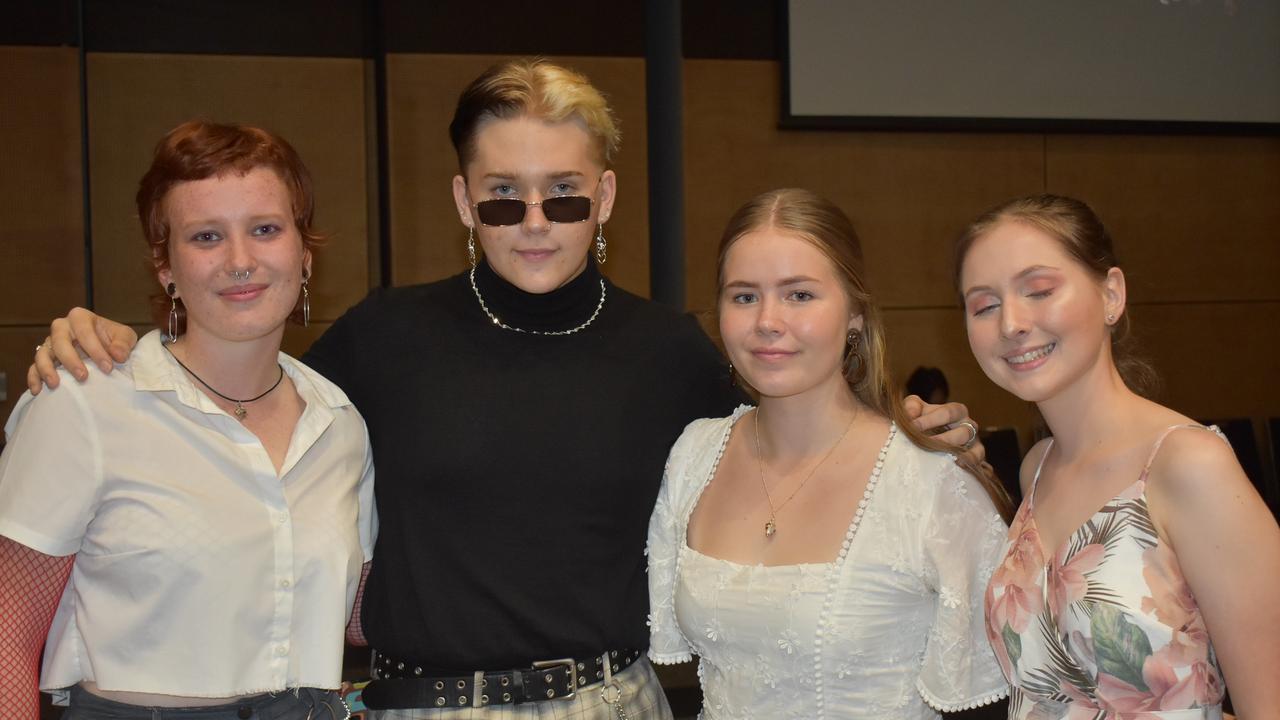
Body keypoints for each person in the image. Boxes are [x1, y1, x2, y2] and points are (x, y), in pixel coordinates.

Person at [25, 60, 981, 719]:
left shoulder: (672, 352)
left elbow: (794, 426)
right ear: (461, 200)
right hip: (410, 703)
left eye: (564, 193)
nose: (534, 220)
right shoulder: (382, 338)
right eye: (502, 195)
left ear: (604, 198)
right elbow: (231, 384)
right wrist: (114, 339)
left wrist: (915, 439)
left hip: (608, 700)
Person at [0, 120, 376, 719]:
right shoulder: (87, 403)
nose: (240, 260)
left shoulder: (339, 424)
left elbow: (358, 615)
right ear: (165, 267)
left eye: (265, 229)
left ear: (303, 256)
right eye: (205, 236)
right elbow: (8, 635)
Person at [647, 188, 1013, 719]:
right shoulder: (694, 455)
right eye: (744, 296)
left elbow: (1008, 684)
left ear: (855, 316)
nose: (768, 321)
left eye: (799, 295)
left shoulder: (927, 479)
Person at [958, 194, 1280, 719]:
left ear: (1111, 294)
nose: (1011, 323)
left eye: (1039, 291)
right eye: (984, 305)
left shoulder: (1188, 465)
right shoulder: (1036, 467)